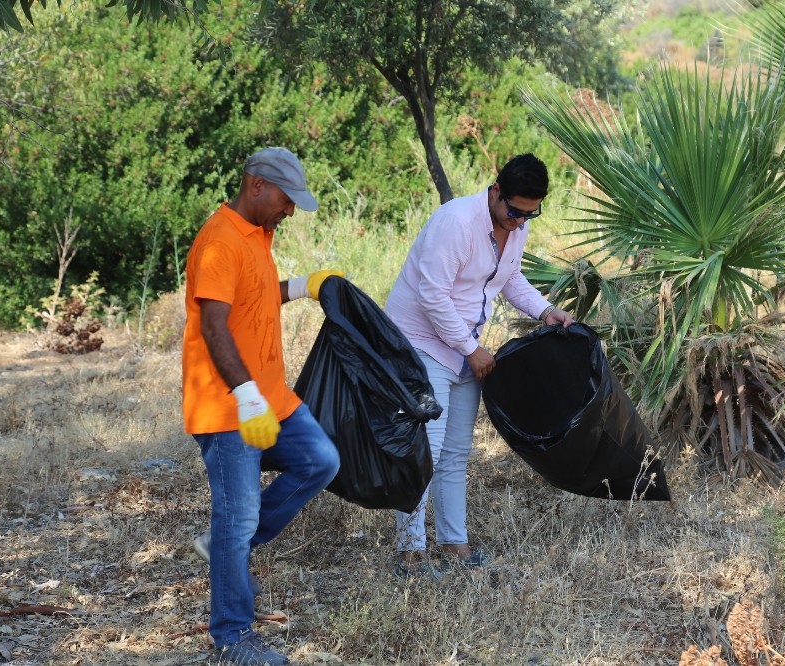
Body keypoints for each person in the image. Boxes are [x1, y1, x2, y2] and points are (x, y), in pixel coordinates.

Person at [181, 146, 342, 665]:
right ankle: (232, 636)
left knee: (321, 460)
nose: (290, 210)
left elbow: (253, 296)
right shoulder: (219, 242)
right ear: (256, 185)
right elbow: (213, 324)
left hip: (272, 396)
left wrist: (302, 286)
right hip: (230, 406)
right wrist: (246, 396)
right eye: (285, 199)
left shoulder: (258, 236)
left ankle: (227, 544)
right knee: (237, 516)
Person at [385, 153, 574, 577]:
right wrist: (472, 348)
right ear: (495, 191)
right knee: (425, 451)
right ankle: (409, 553)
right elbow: (433, 295)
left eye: (530, 214)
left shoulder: (515, 227)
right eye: (514, 211)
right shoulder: (455, 222)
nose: (520, 222)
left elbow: (509, 279)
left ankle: (454, 544)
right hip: (420, 343)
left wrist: (547, 311)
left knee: (455, 453)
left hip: (465, 347)